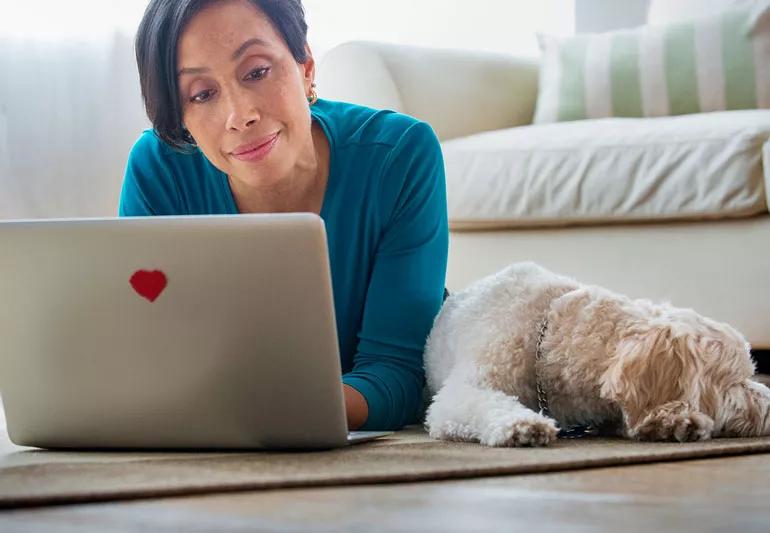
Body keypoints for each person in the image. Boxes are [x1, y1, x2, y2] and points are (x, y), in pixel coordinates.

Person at [119, 0, 448, 431]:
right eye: (201, 94)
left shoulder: (400, 155)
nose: (241, 116)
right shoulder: (158, 170)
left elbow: (395, 374)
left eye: (257, 72)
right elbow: (144, 359)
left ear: (306, 66)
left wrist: (267, 413)